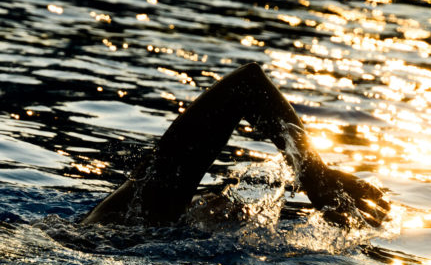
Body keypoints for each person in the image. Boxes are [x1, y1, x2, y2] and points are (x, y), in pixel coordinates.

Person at [81, 63, 389, 228]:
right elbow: (247, 83)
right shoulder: (147, 208)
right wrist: (316, 178)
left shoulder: (131, 223)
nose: (227, 202)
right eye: (209, 198)